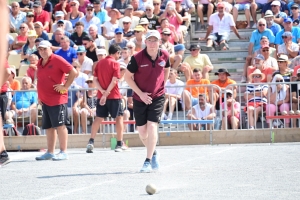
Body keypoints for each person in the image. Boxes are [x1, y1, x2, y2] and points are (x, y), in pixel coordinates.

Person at [125, 30, 170, 172]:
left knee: (152, 126)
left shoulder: (165, 55)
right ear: (145, 42)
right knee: (142, 132)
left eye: (155, 40)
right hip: (140, 97)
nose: (152, 43)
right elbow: (127, 78)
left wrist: (163, 84)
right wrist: (141, 94)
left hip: (157, 96)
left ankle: (148, 160)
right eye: (149, 40)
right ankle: (153, 151)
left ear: (160, 42)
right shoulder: (137, 58)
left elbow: (166, 69)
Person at [35, 40, 77, 161]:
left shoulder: (57, 59)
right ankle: (50, 152)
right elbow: (41, 80)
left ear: (50, 48)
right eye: (40, 49)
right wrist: (40, 96)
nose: (42, 51)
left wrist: (65, 87)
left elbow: (73, 72)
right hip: (45, 100)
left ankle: (64, 151)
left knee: (60, 126)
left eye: (44, 49)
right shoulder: (40, 62)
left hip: (57, 99)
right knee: (48, 127)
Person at [86, 44, 128, 153]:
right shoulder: (115, 63)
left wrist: (102, 92)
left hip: (101, 95)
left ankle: (91, 141)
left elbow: (95, 80)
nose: (120, 56)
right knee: (119, 118)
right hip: (113, 96)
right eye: (119, 53)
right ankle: (119, 144)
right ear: (116, 53)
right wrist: (106, 94)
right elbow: (114, 81)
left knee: (98, 118)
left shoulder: (99, 63)